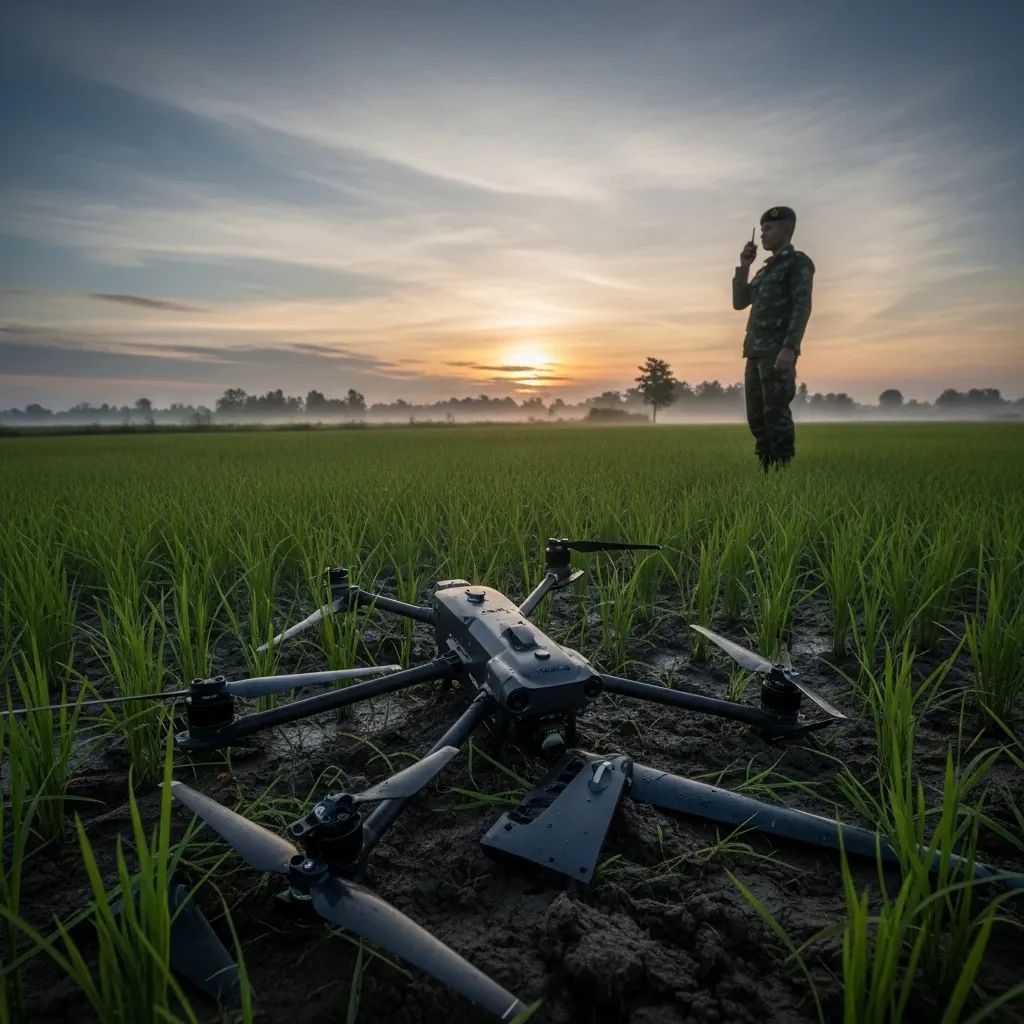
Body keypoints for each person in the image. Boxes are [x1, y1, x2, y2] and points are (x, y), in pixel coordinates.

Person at [732, 206, 814, 470]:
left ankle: (782, 472)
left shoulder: (797, 262)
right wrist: (744, 266)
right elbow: (739, 302)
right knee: (756, 416)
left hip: (777, 350)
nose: (764, 235)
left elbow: (803, 306)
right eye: (762, 229)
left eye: (769, 228)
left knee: (775, 413)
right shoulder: (763, 271)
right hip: (755, 351)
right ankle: (766, 470)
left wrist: (790, 347)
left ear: (786, 229)